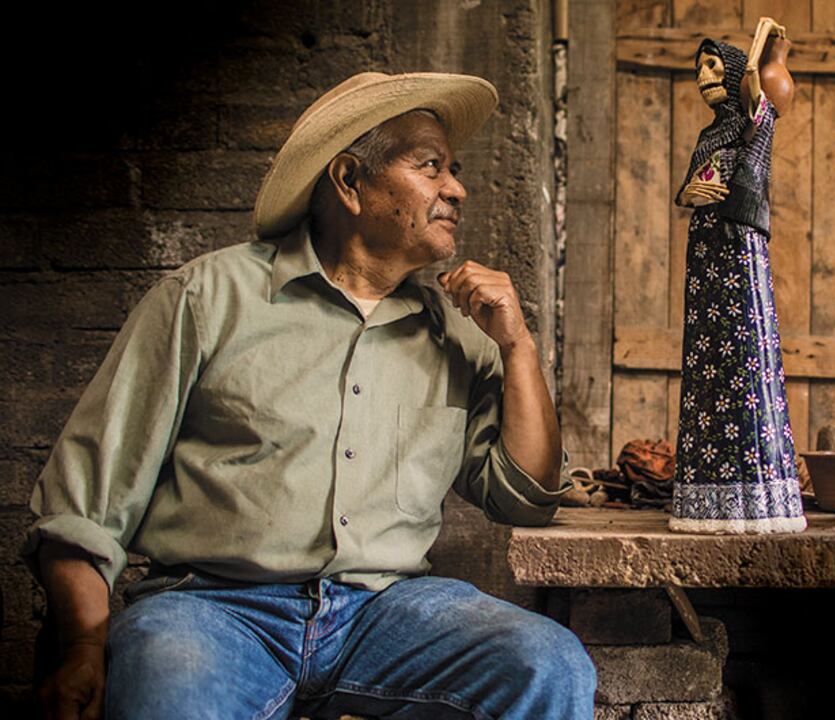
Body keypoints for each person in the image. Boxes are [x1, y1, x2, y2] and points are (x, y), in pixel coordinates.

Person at [26, 71, 596, 719]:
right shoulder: (208, 298)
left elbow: (523, 496)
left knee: (546, 664)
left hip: (387, 609)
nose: (456, 189)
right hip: (212, 607)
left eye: (454, 170)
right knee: (168, 691)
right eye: (430, 167)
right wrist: (82, 645)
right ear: (349, 181)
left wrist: (518, 346)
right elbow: (83, 508)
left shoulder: (456, 334)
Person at [669, 17, 807, 534]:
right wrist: (691, 194)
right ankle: (705, 494)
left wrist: (765, 35)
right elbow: (687, 187)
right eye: (698, 67)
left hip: (738, 245)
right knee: (708, 358)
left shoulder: (755, 118)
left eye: (712, 65)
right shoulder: (709, 134)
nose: (703, 75)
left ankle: (756, 492)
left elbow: (757, 77)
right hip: (705, 250)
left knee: (745, 356)